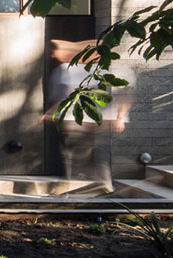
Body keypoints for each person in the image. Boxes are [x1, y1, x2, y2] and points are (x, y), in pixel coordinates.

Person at [45, 39, 129, 194]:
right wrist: (119, 118)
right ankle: (102, 186)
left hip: (78, 120)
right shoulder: (115, 70)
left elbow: (63, 96)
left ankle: (77, 188)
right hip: (100, 120)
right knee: (98, 155)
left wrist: (51, 113)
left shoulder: (70, 69)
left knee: (75, 156)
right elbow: (125, 96)